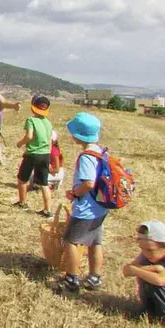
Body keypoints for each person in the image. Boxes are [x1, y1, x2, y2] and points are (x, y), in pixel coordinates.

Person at [61, 112, 106, 292]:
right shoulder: (100, 151)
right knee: (95, 242)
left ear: (79, 134)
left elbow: (88, 183)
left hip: (86, 209)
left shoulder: (86, 156)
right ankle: (94, 278)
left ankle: (71, 280)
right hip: (100, 208)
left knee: (70, 241)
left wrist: (74, 193)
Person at [122, 220, 165, 328]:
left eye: (150, 250)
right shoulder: (147, 254)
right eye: (142, 249)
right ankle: (152, 311)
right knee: (148, 276)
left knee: (158, 282)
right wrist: (156, 268)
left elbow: (160, 280)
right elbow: (126, 271)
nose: (145, 254)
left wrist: (136, 270)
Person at [14, 95, 54, 218]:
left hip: (32, 154)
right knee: (44, 183)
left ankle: (23, 202)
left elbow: (29, 136)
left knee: (22, 179)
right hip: (45, 154)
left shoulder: (31, 120)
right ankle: (47, 210)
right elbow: (50, 140)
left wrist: (20, 143)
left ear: (33, 107)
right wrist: (49, 155)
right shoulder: (48, 123)